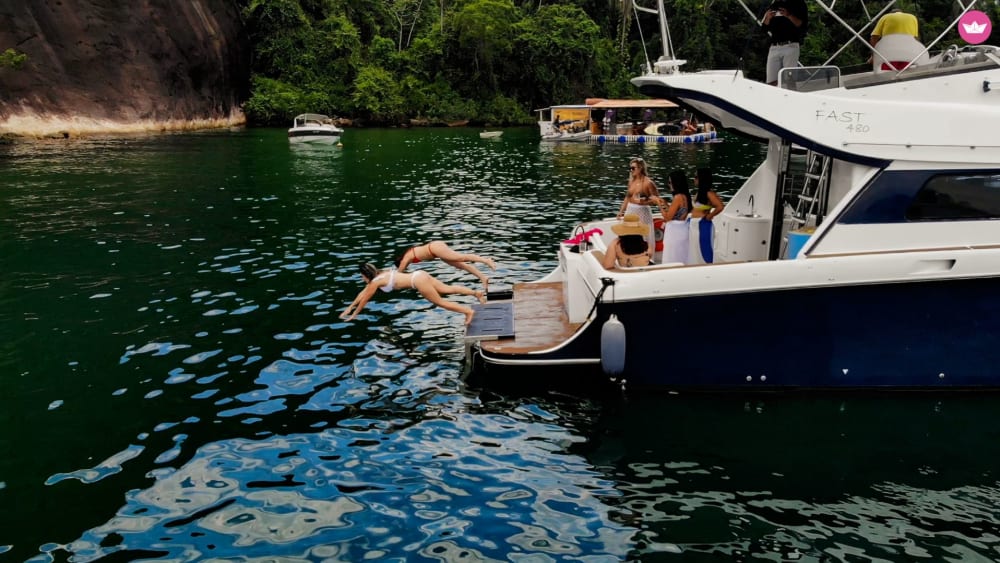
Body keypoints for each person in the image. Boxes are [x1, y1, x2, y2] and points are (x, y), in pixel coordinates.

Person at [341, 263, 486, 325]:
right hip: (419, 274)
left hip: (417, 281)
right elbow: (363, 292)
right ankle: (476, 293)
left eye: (361, 276)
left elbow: (365, 299)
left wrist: (354, 315)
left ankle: (467, 312)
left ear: (366, 275)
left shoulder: (375, 283)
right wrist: (350, 307)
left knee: (440, 302)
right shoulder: (381, 273)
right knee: (447, 289)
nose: (361, 279)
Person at [395, 241, 496, 289]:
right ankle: (483, 278)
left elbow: (398, 274)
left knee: (460, 258)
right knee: (461, 265)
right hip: (436, 252)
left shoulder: (405, 259)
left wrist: (390, 276)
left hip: (434, 248)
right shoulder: (408, 256)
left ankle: (487, 260)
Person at [616, 157, 662, 253]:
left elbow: (657, 200)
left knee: (644, 236)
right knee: (629, 234)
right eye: (630, 168)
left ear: (640, 168)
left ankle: (645, 257)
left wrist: (644, 202)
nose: (631, 170)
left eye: (633, 168)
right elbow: (627, 197)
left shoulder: (648, 183)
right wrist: (621, 211)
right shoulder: (631, 181)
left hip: (643, 212)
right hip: (630, 211)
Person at [762, 0, 808, 86]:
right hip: (774, 47)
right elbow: (764, 28)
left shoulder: (799, 3)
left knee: (789, 80)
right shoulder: (774, 4)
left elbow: (802, 25)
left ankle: (791, 98)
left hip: (791, 46)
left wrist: (789, 15)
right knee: (771, 81)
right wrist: (767, 18)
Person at [654, 170, 692, 264]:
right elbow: (677, 214)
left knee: (671, 258)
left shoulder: (677, 197)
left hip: (674, 232)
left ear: (676, 183)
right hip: (682, 229)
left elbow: (667, 218)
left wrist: (658, 204)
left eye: (670, 182)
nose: (669, 185)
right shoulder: (685, 196)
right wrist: (665, 204)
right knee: (681, 257)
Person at [690, 167, 726, 264]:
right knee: (696, 251)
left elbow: (720, 206)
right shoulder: (699, 193)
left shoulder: (709, 193)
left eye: (696, 177)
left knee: (705, 252)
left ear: (702, 178)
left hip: (703, 225)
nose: (694, 179)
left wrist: (710, 216)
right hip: (694, 225)